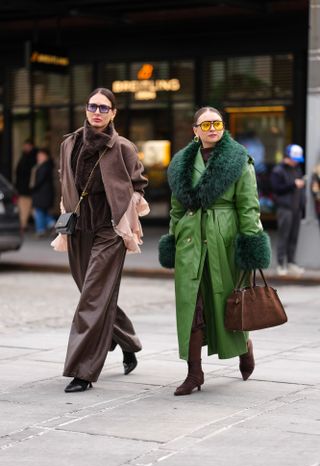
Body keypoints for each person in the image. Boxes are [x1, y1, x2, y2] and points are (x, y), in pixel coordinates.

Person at [159, 106, 271, 396]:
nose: (212, 128)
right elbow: (176, 208)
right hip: (189, 241)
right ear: (195, 130)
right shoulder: (181, 162)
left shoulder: (238, 160)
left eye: (217, 123)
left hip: (225, 237)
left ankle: (244, 346)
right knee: (191, 304)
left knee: (228, 301)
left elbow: (248, 207)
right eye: (205, 124)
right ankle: (194, 373)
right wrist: (174, 235)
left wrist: (249, 246)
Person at [59, 87, 148, 393]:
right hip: (80, 227)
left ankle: (83, 370)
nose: (97, 112)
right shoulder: (69, 143)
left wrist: (127, 213)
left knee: (93, 296)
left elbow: (139, 184)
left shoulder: (122, 147)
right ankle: (127, 342)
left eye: (104, 108)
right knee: (90, 290)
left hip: (110, 230)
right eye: (92, 106)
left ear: (113, 113)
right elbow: (66, 182)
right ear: (86, 110)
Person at [271, 144, 306, 276]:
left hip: (296, 208)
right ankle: (281, 264)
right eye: (294, 159)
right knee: (283, 236)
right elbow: (276, 188)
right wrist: (293, 185)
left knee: (293, 237)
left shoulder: (297, 169)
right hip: (285, 209)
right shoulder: (278, 170)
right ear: (288, 157)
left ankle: (291, 263)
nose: (296, 162)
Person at [30, 148, 55, 237]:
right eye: (38, 156)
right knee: (43, 211)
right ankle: (53, 225)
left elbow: (39, 180)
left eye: (41, 156)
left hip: (42, 193)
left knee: (39, 211)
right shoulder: (44, 165)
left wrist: (33, 188)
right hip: (43, 193)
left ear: (46, 157)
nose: (39, 157)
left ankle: (41, 230)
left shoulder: (44, 166)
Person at [15, 139, 37, 230]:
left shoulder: (32, 158)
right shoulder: (24, 156)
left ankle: (23, 225)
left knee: (27, 207)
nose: (25, 147)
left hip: (27, 188)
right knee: (27, 207)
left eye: (27, 145)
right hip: (23, 187)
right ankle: (24, 225)